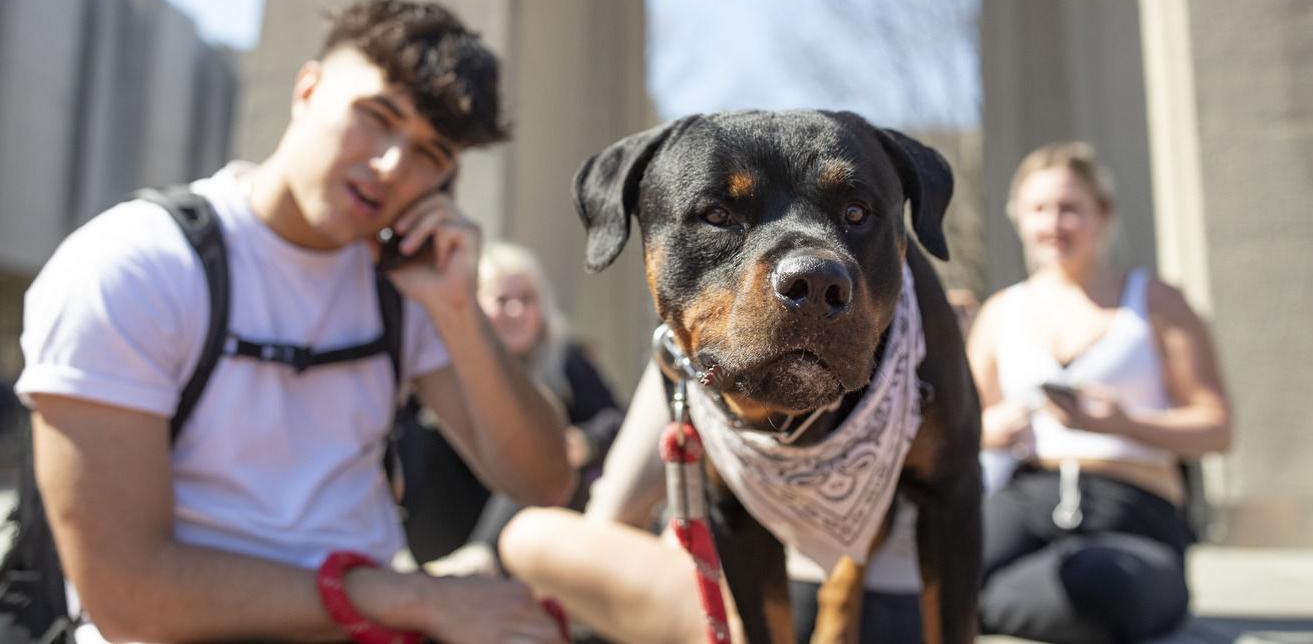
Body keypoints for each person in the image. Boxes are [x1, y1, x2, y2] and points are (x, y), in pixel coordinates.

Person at [16, 0, 574, 643]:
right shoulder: (136, 263)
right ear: (307, 89)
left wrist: (456, 311)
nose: (392, 165)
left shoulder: (404, 288)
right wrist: (403, 594)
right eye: (377, 117)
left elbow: (543, 480)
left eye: (429, 154)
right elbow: (130, 595)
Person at [967, 141, 1232, 643]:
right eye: (1039, 209)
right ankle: (999, 595)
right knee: (931, 570)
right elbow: (960, 429)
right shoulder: (1001, 312)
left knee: (1098, 588)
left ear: (1102, 214)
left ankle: (987, 603)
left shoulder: (1155, 301)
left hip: (1131, 502)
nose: (1054, 223)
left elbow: (1217, 428)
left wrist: (1121, 422)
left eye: (1070, 208)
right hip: (1024, 496)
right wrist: (991, 430)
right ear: (1019, 218)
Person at [499, 359, 925, 644]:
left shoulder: (696, 348)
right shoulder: (896, 320)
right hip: (911, 607)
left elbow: (614, 509)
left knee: (530, 536)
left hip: (783, 609)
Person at [401, 241, 623, 572]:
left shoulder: (566, 359)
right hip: (456, 501)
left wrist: (584, 441)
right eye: (502, 300)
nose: (516, 311)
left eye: (527, 300)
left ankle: (482, 558)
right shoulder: (442, 357)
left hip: (531, 513)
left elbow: (616, 419)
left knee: (530, 447)